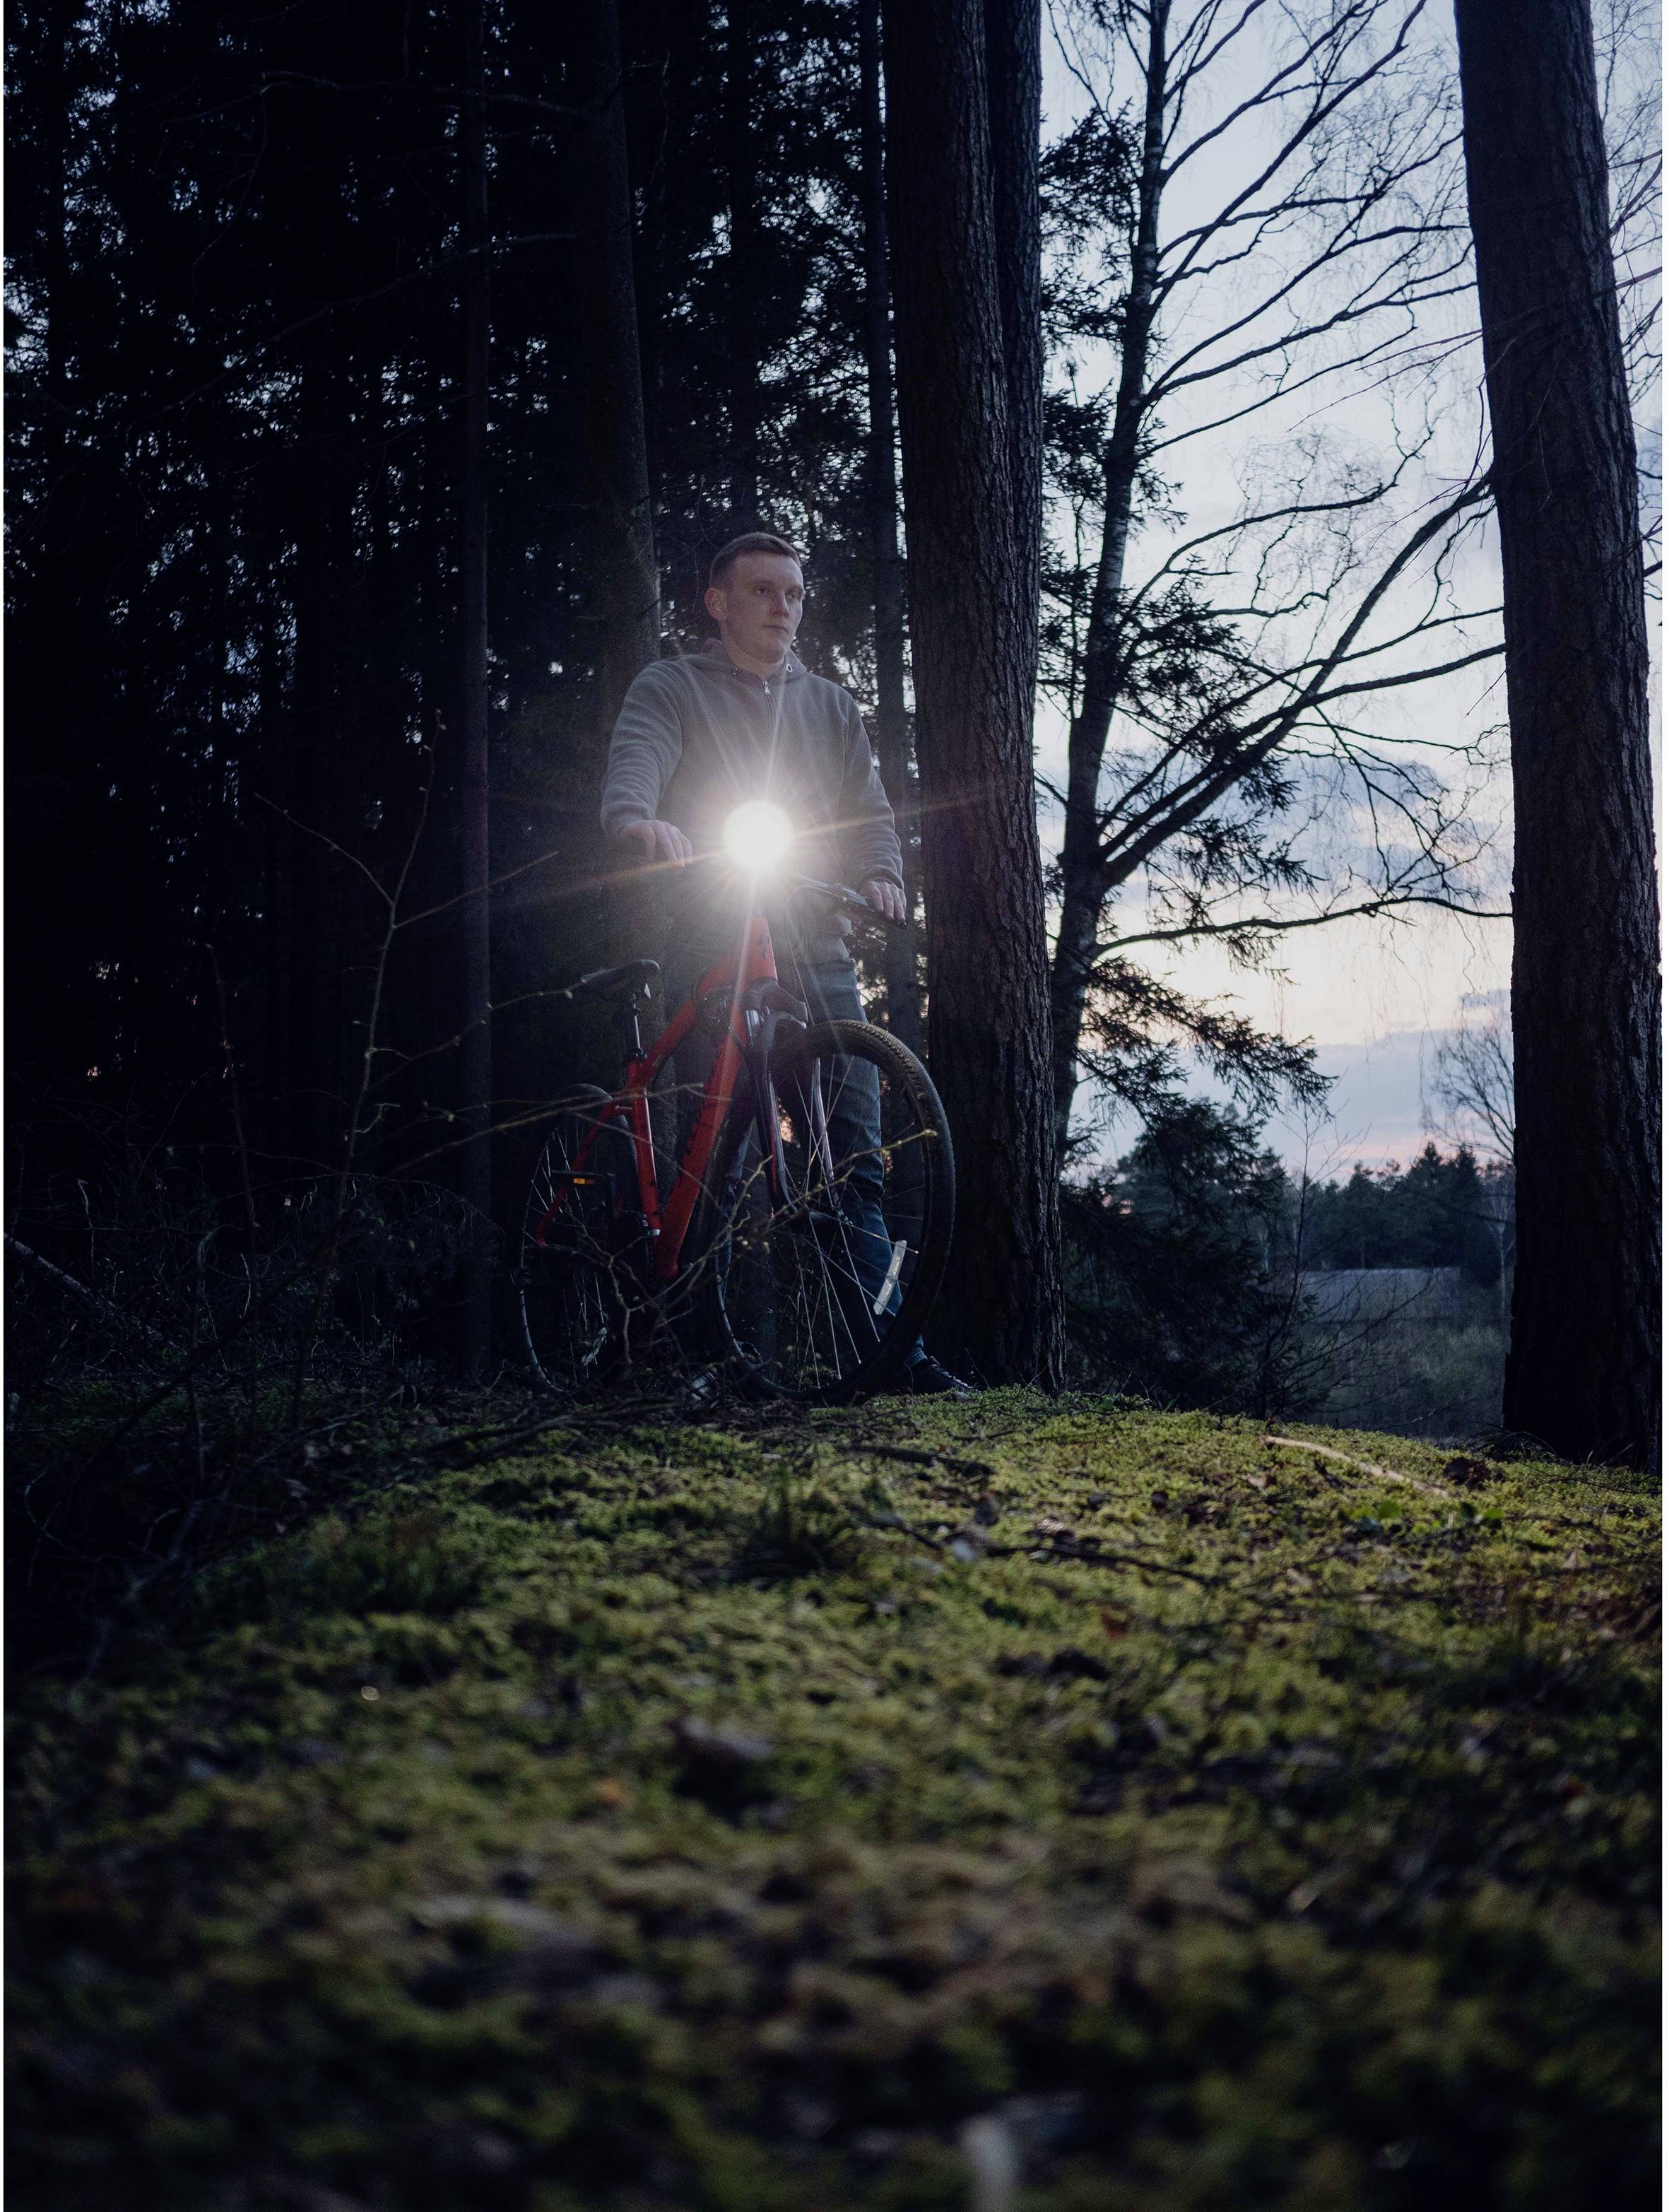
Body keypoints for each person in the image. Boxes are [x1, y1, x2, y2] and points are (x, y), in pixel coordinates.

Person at [601, 529, 969, 1396]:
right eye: (762, 591)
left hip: (813, 935)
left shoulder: (831, 706)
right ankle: (697, 1355)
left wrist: (882, 870)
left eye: (794, 595)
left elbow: (867, 806)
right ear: (718, 602)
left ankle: (889, 1353)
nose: (782, 608)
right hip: (714, 930)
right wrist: (635, 817)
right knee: (714, 1150)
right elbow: (638, 755)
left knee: (854, 1156)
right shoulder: (674, 685)